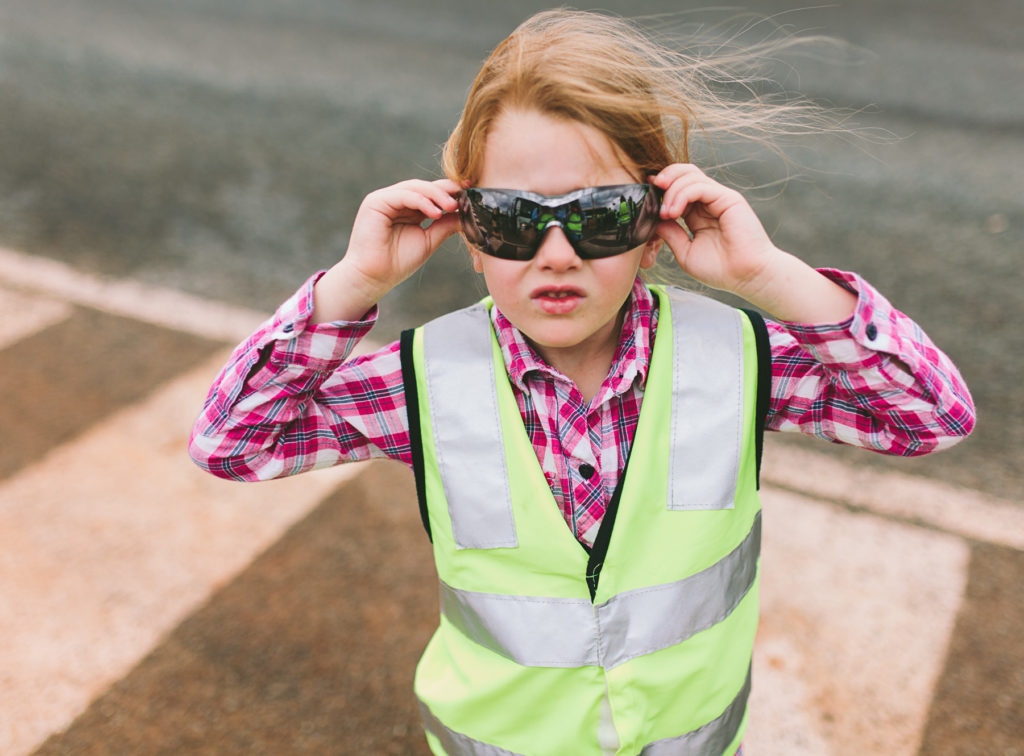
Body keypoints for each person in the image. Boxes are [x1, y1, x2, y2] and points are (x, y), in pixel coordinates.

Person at [189, 9, 975, 756]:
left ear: (652, 228)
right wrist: (354, 283)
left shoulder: (736, 359)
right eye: (512, 219)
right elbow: (232, 444)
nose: (556, 253)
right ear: (468, 236)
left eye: (598, 215)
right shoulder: (424, 380)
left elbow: (929, 416)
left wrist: (769, 277)